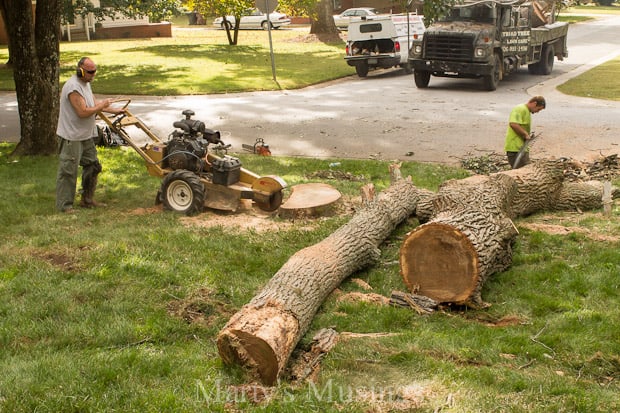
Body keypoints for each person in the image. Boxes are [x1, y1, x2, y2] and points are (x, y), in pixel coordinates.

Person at [55, 57, 125, 213]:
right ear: (80, 70)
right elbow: (82, 112)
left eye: (95, 71)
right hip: (71, 136)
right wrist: (102, 105)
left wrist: (116, 110)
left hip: (85, 135)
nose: (93, 75)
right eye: (90, 72)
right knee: (68, 171)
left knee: (93, 165)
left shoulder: (85, 84)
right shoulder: (73, 87)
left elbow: (94, 106)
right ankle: (64, 206)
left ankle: (87, 200)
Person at [504, 95, 546, 169]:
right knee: (522, 171)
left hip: (521, 147)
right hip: (515, 148)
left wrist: (528, 135)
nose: (537, 112)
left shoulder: (527, 111)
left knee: (525, 170)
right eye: (538, 109)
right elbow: (513, 124)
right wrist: (525, 134)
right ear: (534, 103)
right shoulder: (520, 109)